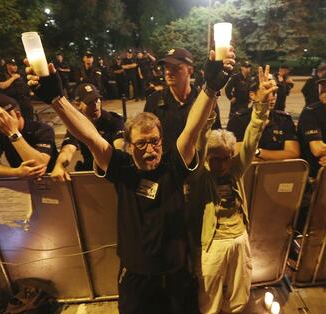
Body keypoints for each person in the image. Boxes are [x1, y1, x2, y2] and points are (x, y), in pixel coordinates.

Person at [26, 47, 235, 314]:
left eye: (155, 142)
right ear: (128, 145)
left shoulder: (173, 164)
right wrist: (57, 98)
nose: (150, 150)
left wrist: (210, 89)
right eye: (142, 143)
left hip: (176, 276)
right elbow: (91, 137)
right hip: (137, 280)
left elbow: (191, 130)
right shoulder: (122, 168)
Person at [187, 66, 277, 314]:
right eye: (215, 159)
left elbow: (251, 139)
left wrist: (261, 106)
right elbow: (200, 138)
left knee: (240, 293)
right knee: (209, 297)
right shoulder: (200, 176)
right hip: (212, 242)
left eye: (226, 158)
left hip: (239, 238)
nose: (221, 164)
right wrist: (211, 97)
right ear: (207, 158)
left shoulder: (235, 170)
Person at [144, 48, 222, 152]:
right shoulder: (154, 101)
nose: (168, 72)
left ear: (190, 70)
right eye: (166, 67)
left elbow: (216, 135)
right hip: (166, 164)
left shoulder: (204, 101)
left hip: (197, 164)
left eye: (176, 68)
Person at [51, 83, 124, 182]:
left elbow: (120, 145)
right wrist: (59, 165)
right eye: (89, 102)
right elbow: (68, 149)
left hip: (114, 169)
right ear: (78, 104)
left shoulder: (113, 120)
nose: (95, 105)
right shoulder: (77, 126)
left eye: (97, 100)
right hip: (91, 173)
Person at [0, 95, 57, 178]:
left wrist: (13, 133)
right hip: (22, 183)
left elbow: (37, 166)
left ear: (17, 115)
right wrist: (16, 172)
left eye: (2, 122)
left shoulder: (42, 129)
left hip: (50, 179)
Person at [227, 79, 300, 161]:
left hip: (278, 172)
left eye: (274, 92)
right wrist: (276, 155)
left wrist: (258, 152)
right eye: (267, 91)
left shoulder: (284, 119)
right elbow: (238, 155)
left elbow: (293, 153)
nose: (272, 96)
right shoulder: (238, 119)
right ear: (252, 95)